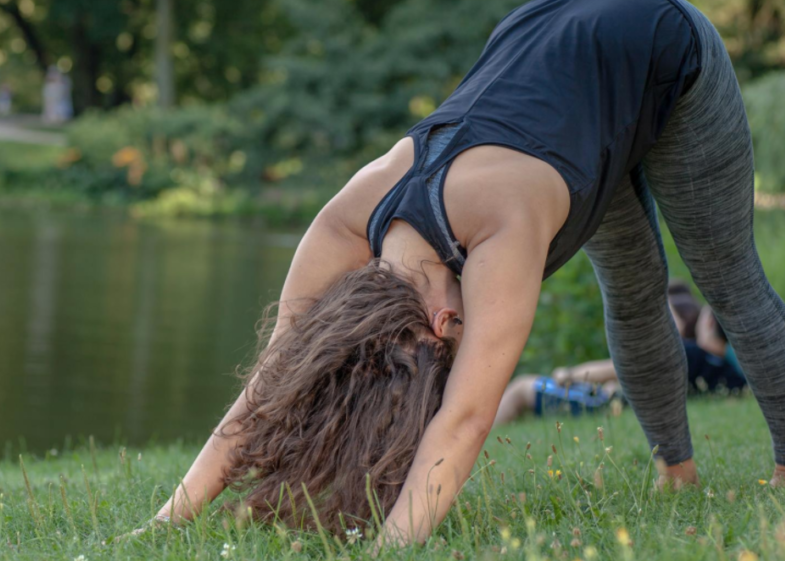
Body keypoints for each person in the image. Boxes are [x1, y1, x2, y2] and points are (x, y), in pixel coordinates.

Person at [138, 0, 785, 546]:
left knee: (728, 281)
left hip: (658, 40)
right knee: (632, 288)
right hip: (571, 90)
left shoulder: (504, 225)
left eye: (442, 359)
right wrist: (167, 522)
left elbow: (468, 418)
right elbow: (267, 386)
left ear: (443, 319)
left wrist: (389, 550)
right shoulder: (347, 218)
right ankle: (678, 473)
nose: (456, 358)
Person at [494, 285, 746, 425]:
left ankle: (484, 441)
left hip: (608, 403)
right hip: (620, 402)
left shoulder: (689, 352)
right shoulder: (734, 375)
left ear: (711, 323)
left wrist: (568, 375)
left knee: (521, 388)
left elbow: (620, 368)